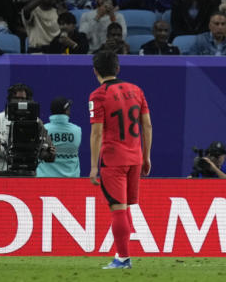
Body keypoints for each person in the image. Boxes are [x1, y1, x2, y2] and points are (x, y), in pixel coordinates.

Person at [88, 50, 152, 270]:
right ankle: (122, 256)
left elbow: (96, 133)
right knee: (124, 209)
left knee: (118, 209)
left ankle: (123, 259)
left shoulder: (98, 95)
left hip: (113, 159)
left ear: (95, 71)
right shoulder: (137, 90)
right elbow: (147, 126)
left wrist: (93, 166)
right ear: (117, 68)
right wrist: (147, 156)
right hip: (135, 157)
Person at [0, 84, 53, 176]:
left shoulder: (37, 122)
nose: (20, 102)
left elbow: (47, 150)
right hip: (1, 174)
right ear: (10, 99)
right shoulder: (0, 118)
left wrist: (48, 153)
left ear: (28, 100)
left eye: (23, 99)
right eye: (17, 98)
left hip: (27, 174)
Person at [37, 98, 82, 178]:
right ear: (66, 111)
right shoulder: (77, 130)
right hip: (71, 181)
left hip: (45, 181)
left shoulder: (42, 129)